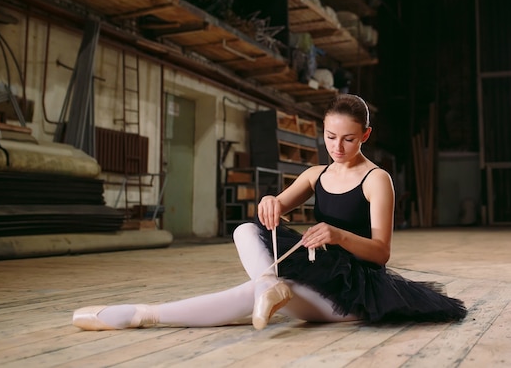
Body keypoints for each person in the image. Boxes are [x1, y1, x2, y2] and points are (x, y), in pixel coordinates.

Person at [72, 94, 466, 331]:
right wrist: (271, 202)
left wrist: (339, 235)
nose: (338, 147)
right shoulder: (316, 173)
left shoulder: (377, 179)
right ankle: (267, 288)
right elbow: (275, 209)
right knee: (246, 230)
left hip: (355, 290)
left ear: (365, 135)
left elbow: (381, 252)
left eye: (348, 138)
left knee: (255, 291)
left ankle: (143, 315)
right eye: (330, 137)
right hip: (318, 268)